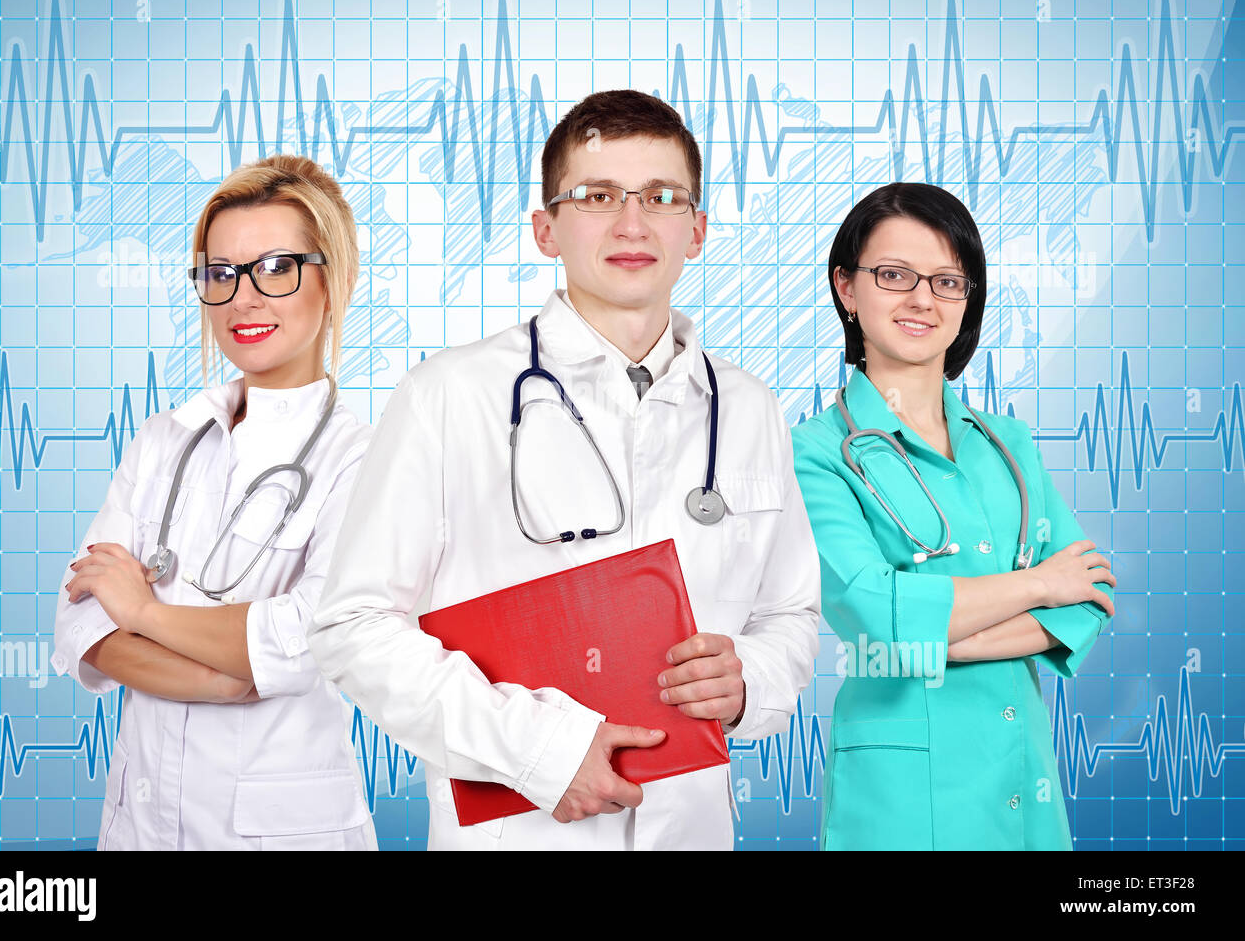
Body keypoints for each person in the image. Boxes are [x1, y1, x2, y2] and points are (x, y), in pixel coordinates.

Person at [308, 89, 821, 850]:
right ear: (546, 228)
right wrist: (541, 751)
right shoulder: (450, 396)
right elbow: (351, 627)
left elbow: (791, 617)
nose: (632, 222)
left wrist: (749, 680)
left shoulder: (747, 409)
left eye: (662, 196)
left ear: (698, 229)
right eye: (597, 195)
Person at [52, 155, 377, 850]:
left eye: (277, 267)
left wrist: (141, 611)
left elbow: (302, 641)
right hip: (140, 827)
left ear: (336, 282)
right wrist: (220, 675)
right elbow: (80, 626)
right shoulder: (163, 441)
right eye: (220, 274)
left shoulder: (366, 461)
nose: (243, 299)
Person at [791, 182, 1117, 850]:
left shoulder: (1009, 444)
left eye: (947, 281)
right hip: (901, 799)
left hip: (1022, 780)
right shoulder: (811, 455)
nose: (922, 299)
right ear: (847, 288)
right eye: (893, 275)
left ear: (968, 302)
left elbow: (1090, 598)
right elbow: (874, 612)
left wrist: (936, 638)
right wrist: (1037, 586)